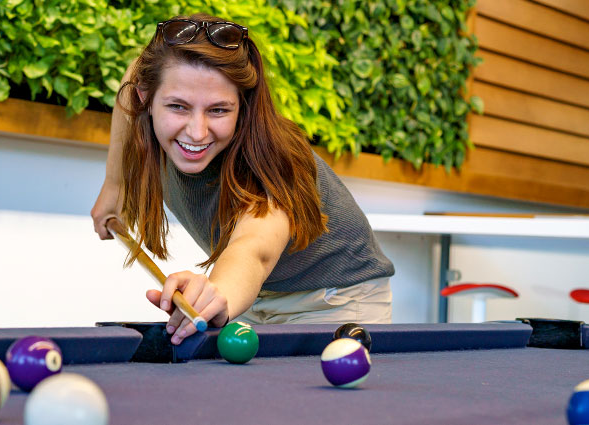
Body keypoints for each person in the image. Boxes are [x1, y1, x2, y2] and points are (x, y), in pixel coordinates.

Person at [90, 14, 394, 345]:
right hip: (254, 297)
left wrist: (217, 291)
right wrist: (115, 186)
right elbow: (134, 72)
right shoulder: (141, 90)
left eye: (219, 110)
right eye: (178, 106)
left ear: (243, 106)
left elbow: (254, 250)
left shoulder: (275, 161)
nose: (197, 131)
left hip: (333, 301)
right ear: (145, 98)